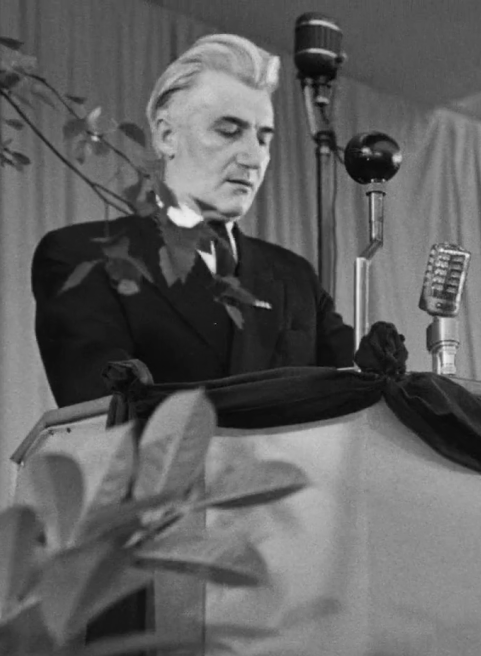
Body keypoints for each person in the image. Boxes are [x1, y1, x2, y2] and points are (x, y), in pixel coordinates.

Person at [32, 33, 355, 407]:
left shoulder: (296, 277)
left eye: (263, 139)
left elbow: (357, 395)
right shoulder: (82, 257)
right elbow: (106, 413)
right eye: (229, 131)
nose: (253, 158)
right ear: (166, 136)